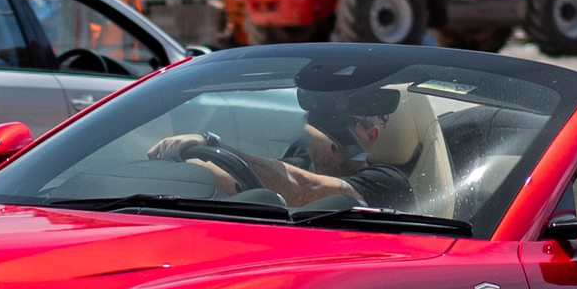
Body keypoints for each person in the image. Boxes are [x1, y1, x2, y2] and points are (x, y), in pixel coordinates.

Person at [147, 81, 412, 210]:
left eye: (341, 123)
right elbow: (240, 178)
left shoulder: (387, 180)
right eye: (320, 122)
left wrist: (212, 142)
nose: (325, 131)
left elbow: (303, 189)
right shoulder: (300, 160)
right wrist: (187, 160)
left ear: (372, 135)